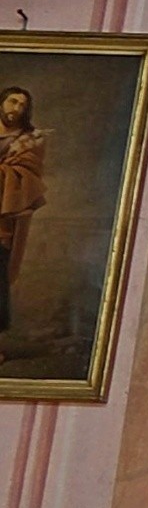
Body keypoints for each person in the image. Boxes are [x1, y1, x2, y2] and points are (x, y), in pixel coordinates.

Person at [0, 87, 41, 332]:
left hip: (2, 221)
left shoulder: (29, 139)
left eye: (22, 105)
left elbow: (27, 175)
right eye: (12, 102)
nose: (16, 108)